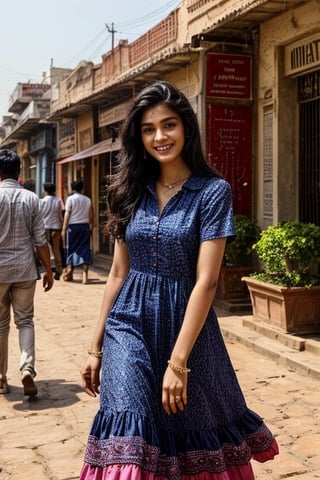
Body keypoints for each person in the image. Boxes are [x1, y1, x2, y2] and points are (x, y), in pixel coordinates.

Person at [79, 80, 279, 480]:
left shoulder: (212, 193)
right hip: (128, 323)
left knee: (188, 429)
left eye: (168, 125)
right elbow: (118, 271)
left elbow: (206, 282)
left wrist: (179, 363)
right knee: (127, 426)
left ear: (186, 127)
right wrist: (95, 346)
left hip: (187, 327)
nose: (159, 136)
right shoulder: (127, 190)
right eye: (149, 128)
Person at [0, 149, 54, 396]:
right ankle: (27, 369)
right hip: (24, 270)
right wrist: (48, 270)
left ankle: (1, 378)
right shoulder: (32, 199)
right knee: (25, 321)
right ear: (18, 172)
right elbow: (40, 240)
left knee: (1, 325)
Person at [61, 180, 94, 284]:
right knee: (85, 249)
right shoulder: (88, 199)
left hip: (73, 228)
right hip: (85, 227)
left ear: (72, 188)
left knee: (71, 249)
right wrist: (91, 227)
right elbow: (91, 215)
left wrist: (64, 229)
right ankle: (85, 275)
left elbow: (67, 214)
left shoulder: (70, 199)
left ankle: (70, 270)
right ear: (82, 188)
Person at [40, 182, 65, 280]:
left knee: (44, 248)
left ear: (45, 190)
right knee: (56, 249)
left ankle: (47, 269)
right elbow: (61, 213)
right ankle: (59, 270)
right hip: (56, 226)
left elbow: (39, 214)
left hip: (45, 226)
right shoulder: (58, 200)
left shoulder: (42, 201)